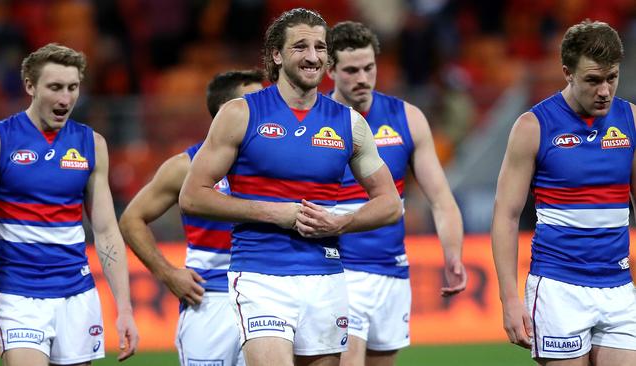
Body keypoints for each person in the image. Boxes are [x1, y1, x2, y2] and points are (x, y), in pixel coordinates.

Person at [178, 8, 402, 366]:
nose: (313, 56)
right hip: (260, 273)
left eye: (320, 47)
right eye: (301, 46)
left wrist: (340, 223)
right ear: (277, 55)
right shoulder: (240, 113)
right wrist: (274, 213)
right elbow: (192, 196)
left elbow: (390, 203)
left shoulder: (350, 124)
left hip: (326, 275)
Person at [491, 20, 636, 365]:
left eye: (611, 78)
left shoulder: (630, 120)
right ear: (567, 72)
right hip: (558, 288)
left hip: (618, 286)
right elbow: (506, 215)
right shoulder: (533, 126)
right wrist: (510, 299)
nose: (604, 90)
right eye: (593, 80)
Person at [0, 43, 139, 365]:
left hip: (76, 293)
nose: (65, 99)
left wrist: (124, 308)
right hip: (17, 294)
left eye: (72, 88)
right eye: (55, 87)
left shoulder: (92, 144)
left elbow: (107, 230)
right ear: (30, 86)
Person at [326, 21, 467, 366]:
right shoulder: (317, 121)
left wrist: (453, 254)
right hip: (339, 272)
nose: (362, 78)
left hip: (392, 271)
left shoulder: (407, 118)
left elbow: (440, 198)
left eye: (369, 67)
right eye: (351, 70)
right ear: (330, 69)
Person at [119, 70, 264, 366]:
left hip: (267, 296)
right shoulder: (186, 166)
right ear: (226, 113)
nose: (265, 110)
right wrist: (167, 273)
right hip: (209, 300)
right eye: (254, 103)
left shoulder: (280, 162)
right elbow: (131, 218)